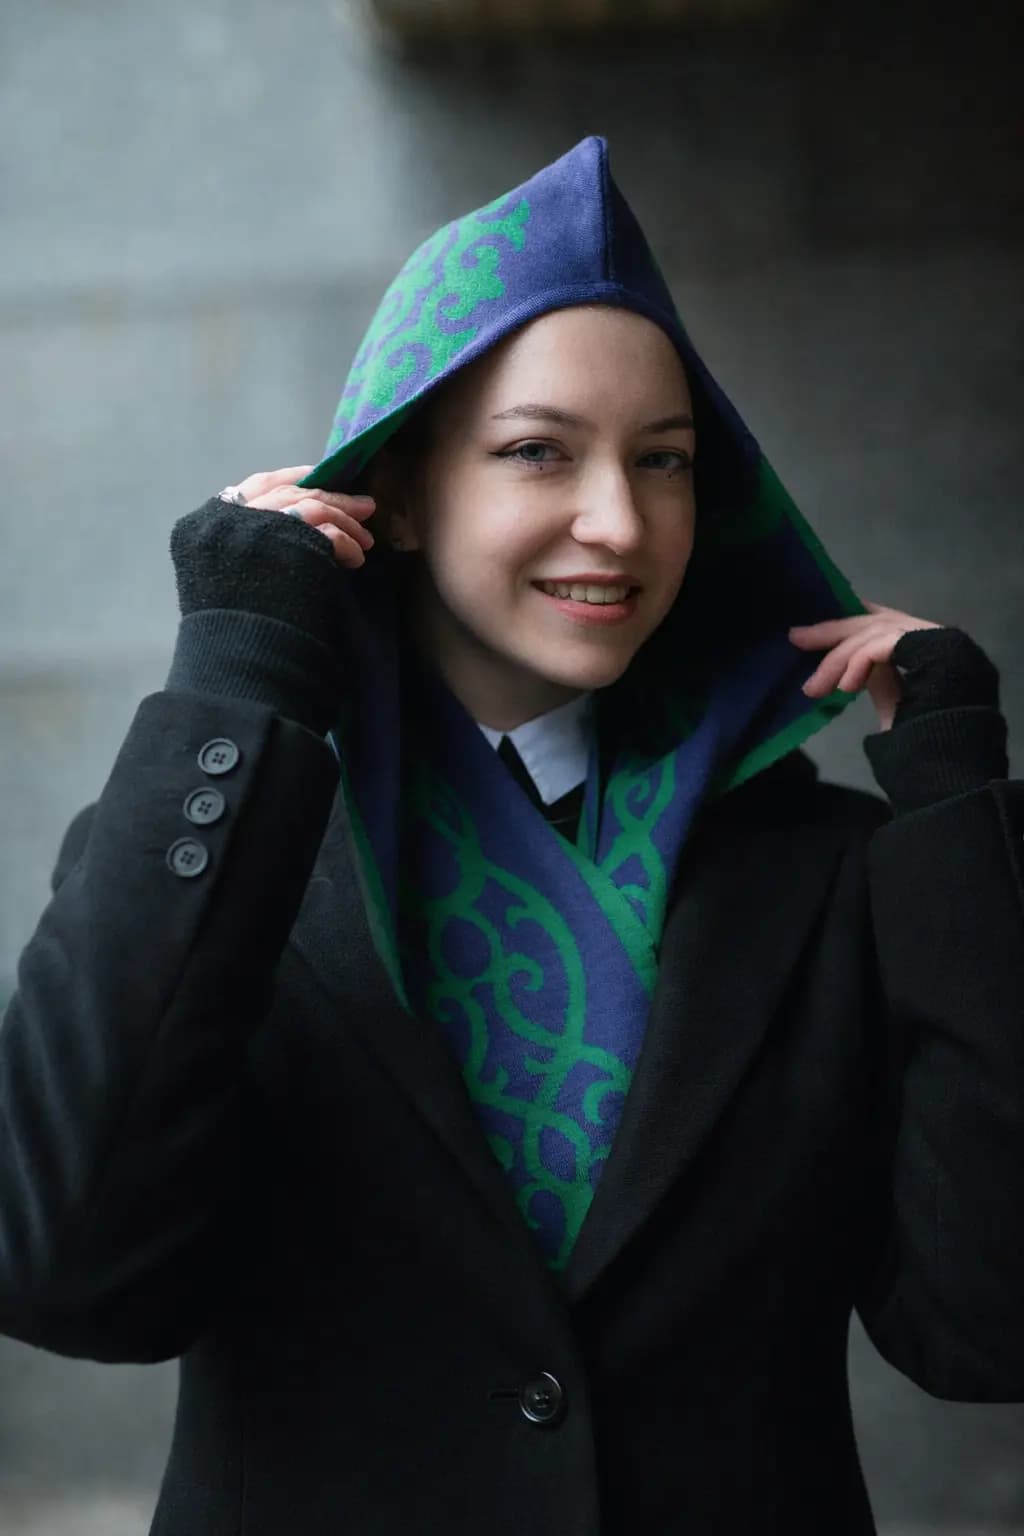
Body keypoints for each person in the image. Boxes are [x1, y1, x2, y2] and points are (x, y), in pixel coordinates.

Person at [0, 134, 1020, 1534]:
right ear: (403, 492)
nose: (619, 521)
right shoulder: (223, 854)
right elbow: (67, 1271)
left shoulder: (832, 871)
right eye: (539, 451)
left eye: (664, 461)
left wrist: (960, 805)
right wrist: (236, 673)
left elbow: (988, 1327)